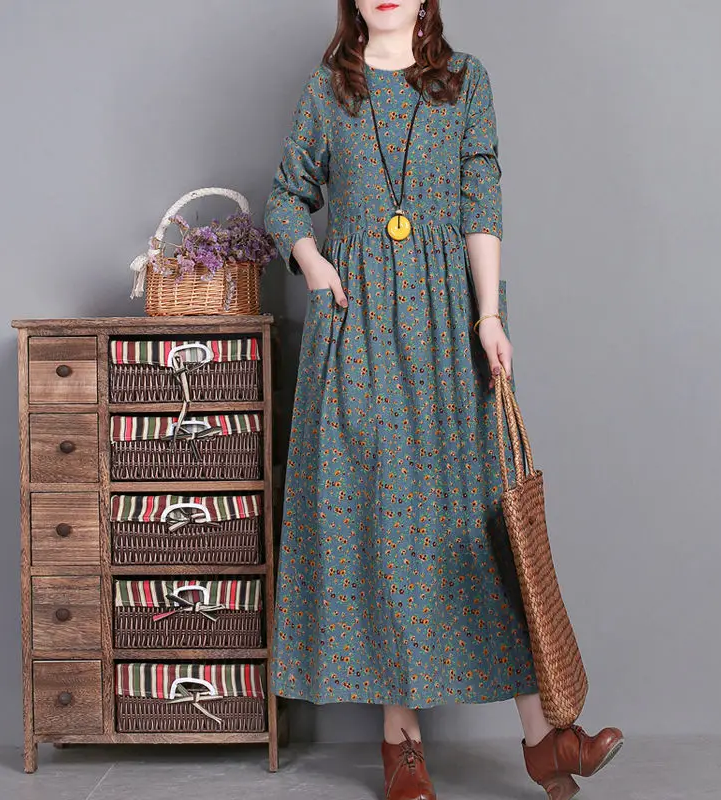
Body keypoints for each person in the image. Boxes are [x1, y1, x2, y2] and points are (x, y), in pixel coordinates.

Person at [265, 2, 623, 798]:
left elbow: (480, 201)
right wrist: (315, 266)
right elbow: (286, 196)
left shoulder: (466, 82)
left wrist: (489, 317)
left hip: (446, 326)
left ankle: (545, 737)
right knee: (384, 525)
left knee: (477, 530)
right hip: (359, 332)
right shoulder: (329, 89)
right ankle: (402, 744)